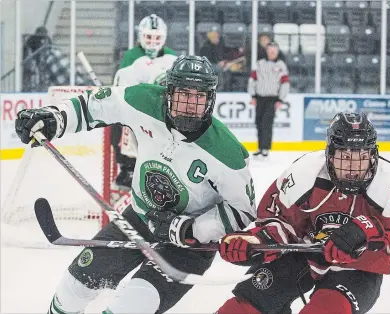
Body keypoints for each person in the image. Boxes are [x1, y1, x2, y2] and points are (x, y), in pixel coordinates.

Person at [15, 55, 256, 314]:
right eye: (183, 94)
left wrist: (193, 229)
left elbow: (243, 211)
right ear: (168, 92)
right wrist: (55, 118)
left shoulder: (227, 153)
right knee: (72, 289)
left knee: (131, 307)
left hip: (188, 244)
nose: (190, 104)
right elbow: (94, 106)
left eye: (199, 96)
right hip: (138, 217)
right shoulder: (144, 100)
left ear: (210, 99)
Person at [216, 112, 390, 314]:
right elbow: (280, 221)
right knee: (238, 310)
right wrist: (257, 242)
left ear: (373, 156)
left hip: (360, 268)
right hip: (303, 255)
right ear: (329, 155)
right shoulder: (305, 173)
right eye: (344, 156)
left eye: (360, 157)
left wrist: (371, 233)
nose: (352, 168)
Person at [112, 14, 177, 189]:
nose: (152, 42)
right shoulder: (131, 56)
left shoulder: (171, 57)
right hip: (137, 109)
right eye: (148, 37)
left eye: (157, 37)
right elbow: (122, 87)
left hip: (161, 110)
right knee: (118, 123)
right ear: (140, 36)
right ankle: (128, 168)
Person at [248, 42, 290, 159]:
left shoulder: (281, 65)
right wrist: (253, 96)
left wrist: (280, 99)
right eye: (270, 50)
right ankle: (260, 147)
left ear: (277, 52)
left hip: (272, 99)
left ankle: (265, 148)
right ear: (267, 51)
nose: (272, 53)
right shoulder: (259, 64)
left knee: (267, 123)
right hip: (260, 97)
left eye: (274, 51)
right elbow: (252, 80)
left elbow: (285, 84)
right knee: (258, 122)